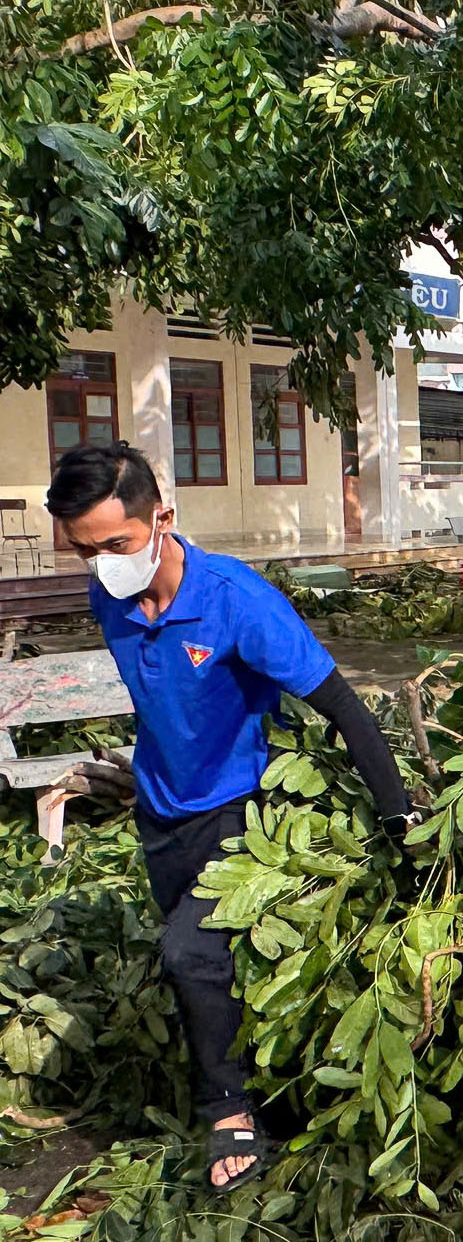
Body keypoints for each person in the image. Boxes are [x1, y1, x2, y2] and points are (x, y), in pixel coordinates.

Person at [44, 443, 421, 1192]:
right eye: (84, 551)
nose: (102, 566)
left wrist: (400, 818)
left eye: (116, 545)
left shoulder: (236, 601)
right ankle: (272, 1071)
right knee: (214, 961)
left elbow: (342, 706)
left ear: (162, 519)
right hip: (162, 814)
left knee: (188, 951)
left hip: (243, 813)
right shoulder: (109, 596)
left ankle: (230, 1109)